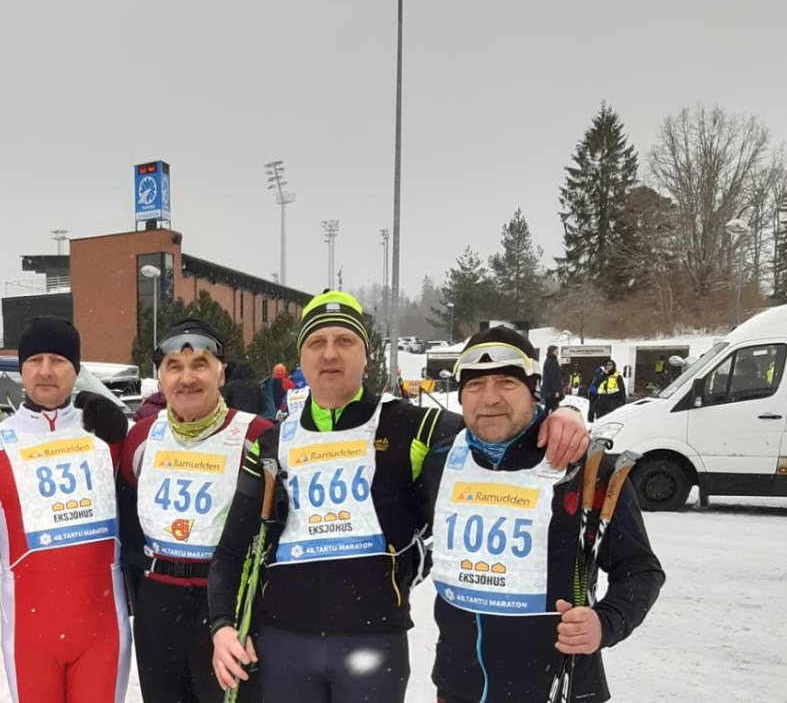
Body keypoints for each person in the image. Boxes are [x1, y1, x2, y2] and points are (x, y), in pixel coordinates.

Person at [207, 293, 590, 703]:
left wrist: (560, 416)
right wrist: (222, 625)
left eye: (345, 341)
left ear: (365, 354)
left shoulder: (413, 425)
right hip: (285, 643)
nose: (330, 354)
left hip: (374, 643)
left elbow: (497, 422)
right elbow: (231, 549)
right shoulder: (272, 442)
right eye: (316, 343)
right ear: (300, 357)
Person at [422, 327, 664, 703]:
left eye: (506, 382)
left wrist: (605, 622)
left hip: (556, 688)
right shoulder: (440, 461)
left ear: (532, 389)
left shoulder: (580, 467)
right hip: (459, 687)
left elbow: (640, 570)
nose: (489, 398)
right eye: (474, 385)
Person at [0, 316, 133, 703]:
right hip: (31, 634)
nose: (45, 371)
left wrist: (126, 430)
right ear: (20, 369)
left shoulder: (105, 433)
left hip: (102, 628)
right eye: (35, 360)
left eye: (58, 360)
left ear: (76, 369)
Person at [119, 319, 273, 703]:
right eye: (174, 367)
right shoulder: (141, 437)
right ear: (160, 377)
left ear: (221, 373)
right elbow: (127, 515)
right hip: (159, 604)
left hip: (226, 605)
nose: (186, 378)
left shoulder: (256, 434)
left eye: (199, 364)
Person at [541, 344, 564, 412]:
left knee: (547, 408)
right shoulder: (552, 362)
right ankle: (552, 422)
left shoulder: (549, 361)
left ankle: (544, 421)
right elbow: (552, 378)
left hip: (549, 391)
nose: (558, 353)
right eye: (556, 351)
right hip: (552, 392)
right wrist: (556, 391)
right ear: (552, 352)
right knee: (554, 409)